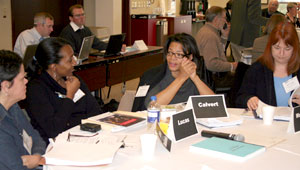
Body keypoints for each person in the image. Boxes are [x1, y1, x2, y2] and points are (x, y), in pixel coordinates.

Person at [25, 37, 102, 142]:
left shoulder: (73, 79)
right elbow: (53, 129)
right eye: (70, 60)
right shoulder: (36, 89)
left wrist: (71, 122)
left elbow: (96, 112)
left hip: (85, 136)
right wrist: (70, 96)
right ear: (53, 67)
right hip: (56, 144)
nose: (74, 63)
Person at [132, 33, 214, 111]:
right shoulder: (156, 75)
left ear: (190, 57)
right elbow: (151, 106)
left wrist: (195, 78)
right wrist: (181, 78)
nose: (172, 58)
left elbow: (214, 104)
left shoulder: (194, 77)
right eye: (170, 53)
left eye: (179, 55)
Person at [236, 22, 300, 110]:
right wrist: (248, 99)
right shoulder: (257, 69)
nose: (281, 53)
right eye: (277, 48)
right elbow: (240, 98)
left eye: (287, 48)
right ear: (270, 47)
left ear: (295, 49)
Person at [0, 50, 46, 169]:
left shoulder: (13, 106)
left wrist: (35, 157)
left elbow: (36, 138)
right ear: (6, 86)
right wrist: (24, 163)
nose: (26, 81)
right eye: (22, 78)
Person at [196, 6, 237, 88]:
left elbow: (219, 51)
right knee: (243, 79)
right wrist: (232, 66)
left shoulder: (206, 30)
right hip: (213, 78)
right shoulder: (210, 36)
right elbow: (212, 64)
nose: (225, 21)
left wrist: (224, 37)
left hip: (210, 75)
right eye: (224, 18)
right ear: (216, 19)